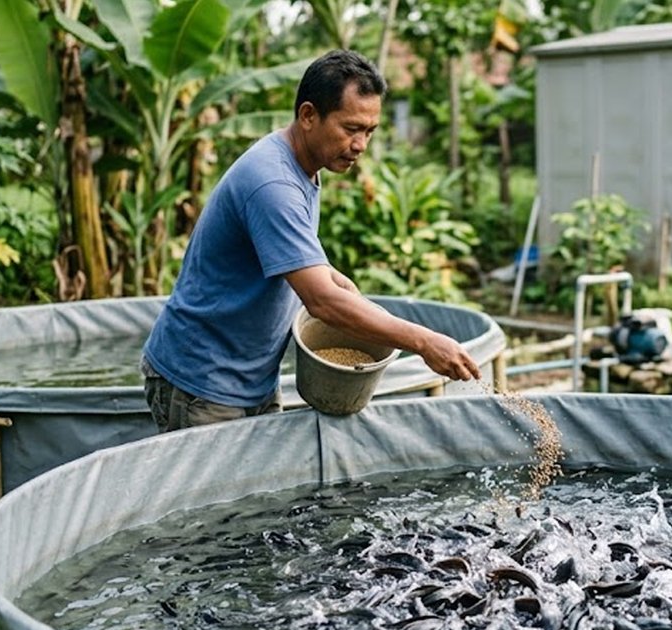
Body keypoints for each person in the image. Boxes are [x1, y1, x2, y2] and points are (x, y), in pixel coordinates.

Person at [141, 50, 481, 433]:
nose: (361, 145)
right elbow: (321, 303)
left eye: (369, 131)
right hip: (201, 384)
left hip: (251, 380)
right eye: (351, 128)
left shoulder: (301, 166)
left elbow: (293, 256)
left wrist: (342, 286)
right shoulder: (273, 182)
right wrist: (424, 342)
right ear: (308, 115)